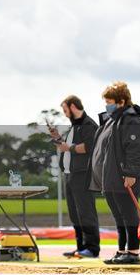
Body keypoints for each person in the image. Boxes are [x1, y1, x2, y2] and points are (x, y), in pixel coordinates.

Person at [86, 81, 140, 265]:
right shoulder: (112, 121)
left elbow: (136, 150)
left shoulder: (131, 122)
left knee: (128, 214)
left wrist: (131, 173)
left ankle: (133, 252)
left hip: (124, 178)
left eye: (110, 101)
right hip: (110, 178)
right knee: (118, 215)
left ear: (121, 101)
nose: (107, 105)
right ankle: (122, 250)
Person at [50, 96, 100, 258]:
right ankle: (81, 248)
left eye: (65, 110)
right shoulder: (74, 127)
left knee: (86, 211)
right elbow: (66, 148)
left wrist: (69, 147)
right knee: (75, 213)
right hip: (70, 175)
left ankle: (92, 248)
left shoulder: (89, 125)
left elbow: (89, 147)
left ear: (73, 106)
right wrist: (57, 138)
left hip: (83, 175)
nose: (65, 114)